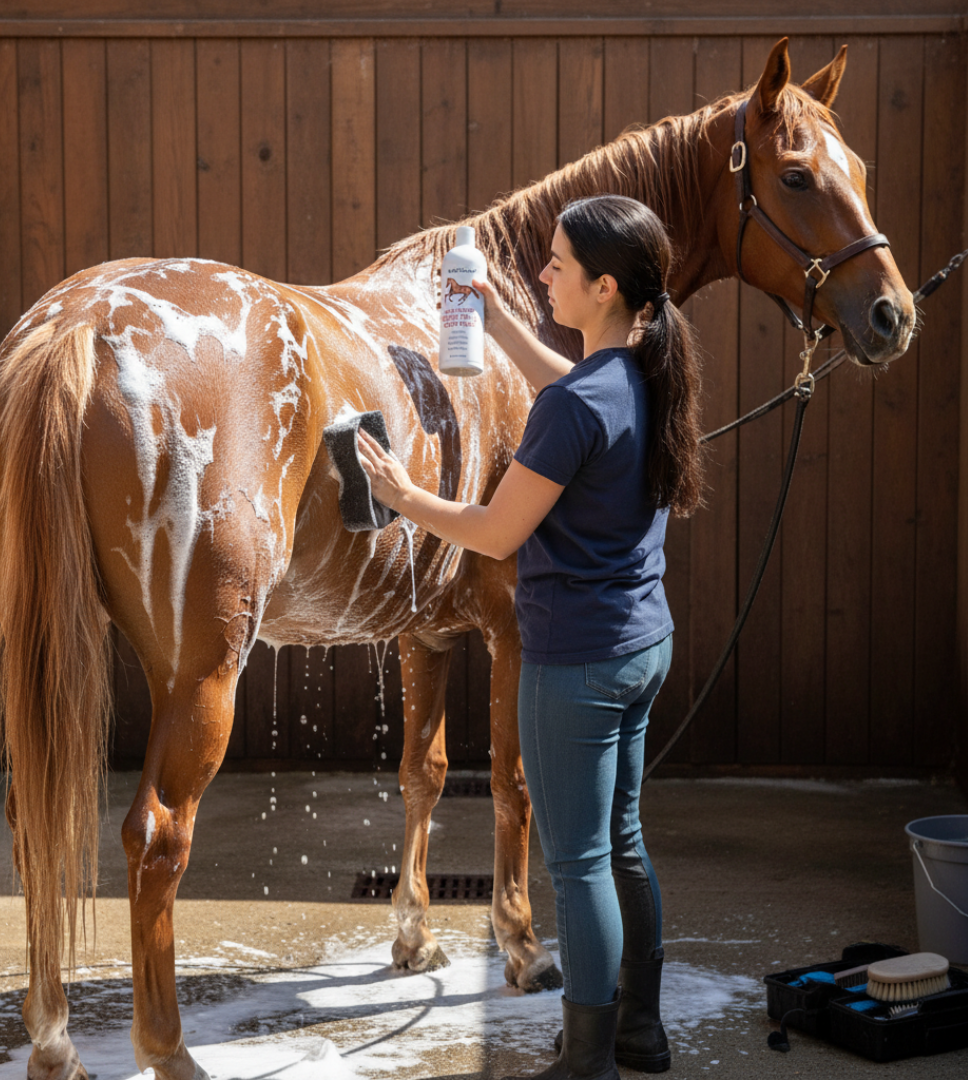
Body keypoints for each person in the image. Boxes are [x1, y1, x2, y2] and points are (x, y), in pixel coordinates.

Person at [357, 194, 704, 1080]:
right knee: (622, 840)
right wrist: (496, 317)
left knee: (580, 862)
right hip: (641, 646)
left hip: (577, 664)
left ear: (603, 285)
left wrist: (401, 497)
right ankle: (640, 1030)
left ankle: (586, 1057)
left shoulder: (570, 411)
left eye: (554, 265)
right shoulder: (641, 375)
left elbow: (494, 533)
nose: (541, 272)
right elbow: (571, 386)